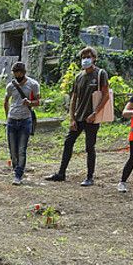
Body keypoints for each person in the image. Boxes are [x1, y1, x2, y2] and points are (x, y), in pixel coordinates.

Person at [45, 47, 111, 187]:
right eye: (83, 57)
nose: (85, 59)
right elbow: (74, 98)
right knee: (68, 143)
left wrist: (95, 113)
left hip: (92, 118)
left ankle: (89, 177)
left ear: (94, 58)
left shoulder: (100, 74)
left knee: (89, 147)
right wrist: (72, 118)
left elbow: (106, 95)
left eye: (88, 56)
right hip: (78, 117)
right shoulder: (78, 76)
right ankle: (61, 173)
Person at [3, 61, 41, 185]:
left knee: (21, 149)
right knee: (12, 150)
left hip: (25, 120)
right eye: (15, 73)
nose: (17, 75)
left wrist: (30, 103)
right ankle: (16, 169)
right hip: (12, 120)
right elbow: (6, 101)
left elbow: (38, 101)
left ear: (24, 72)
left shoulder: (33, 84)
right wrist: (7, 116)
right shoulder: (10, 86)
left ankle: (18, 174)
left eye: (19, 72)